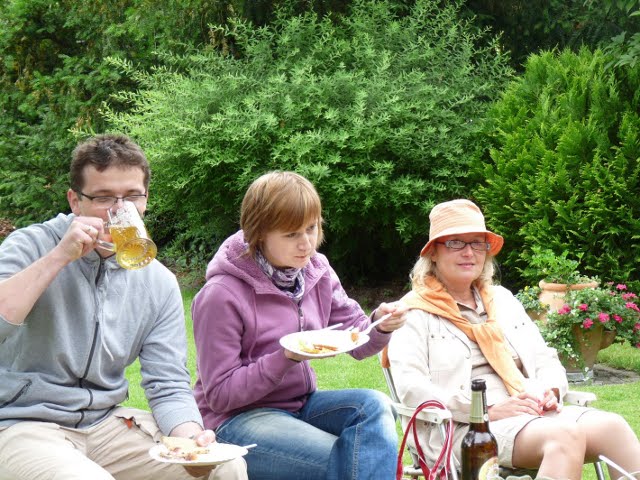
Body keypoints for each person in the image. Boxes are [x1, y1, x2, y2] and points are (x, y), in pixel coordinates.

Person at [0, 134, 247, 480]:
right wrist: (60, 257)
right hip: (23, 424)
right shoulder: (31, 245)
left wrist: (191, 437)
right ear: (75, 201)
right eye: (103, 197)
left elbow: (168, 384)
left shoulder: (158, 282)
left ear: (146, 200)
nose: (119, 210)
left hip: (105, 424)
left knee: (222, 467)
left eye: (131, 196)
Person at [387, 199, 640, 480]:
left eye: (477, 243)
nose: (469, 252)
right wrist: (485, 410)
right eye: (455, 243)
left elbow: (545, 359)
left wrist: (549, 391)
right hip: (464, 428)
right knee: (564, 436)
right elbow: (411, 388)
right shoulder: (412, 312)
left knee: (613, 428)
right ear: (433, 252)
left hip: (531, 411)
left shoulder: (502, 300)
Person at [191, 171, 407, 480]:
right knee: (350, 456)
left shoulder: (316, 271)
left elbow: (358, 338)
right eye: (292, 234)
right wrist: (286, 357)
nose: (306, 244)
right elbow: (220, 395)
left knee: (375, 405)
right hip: (235, 420)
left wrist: (381, 324)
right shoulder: (221, 294)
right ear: (259, 233)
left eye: (311, 228)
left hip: (301, 405)